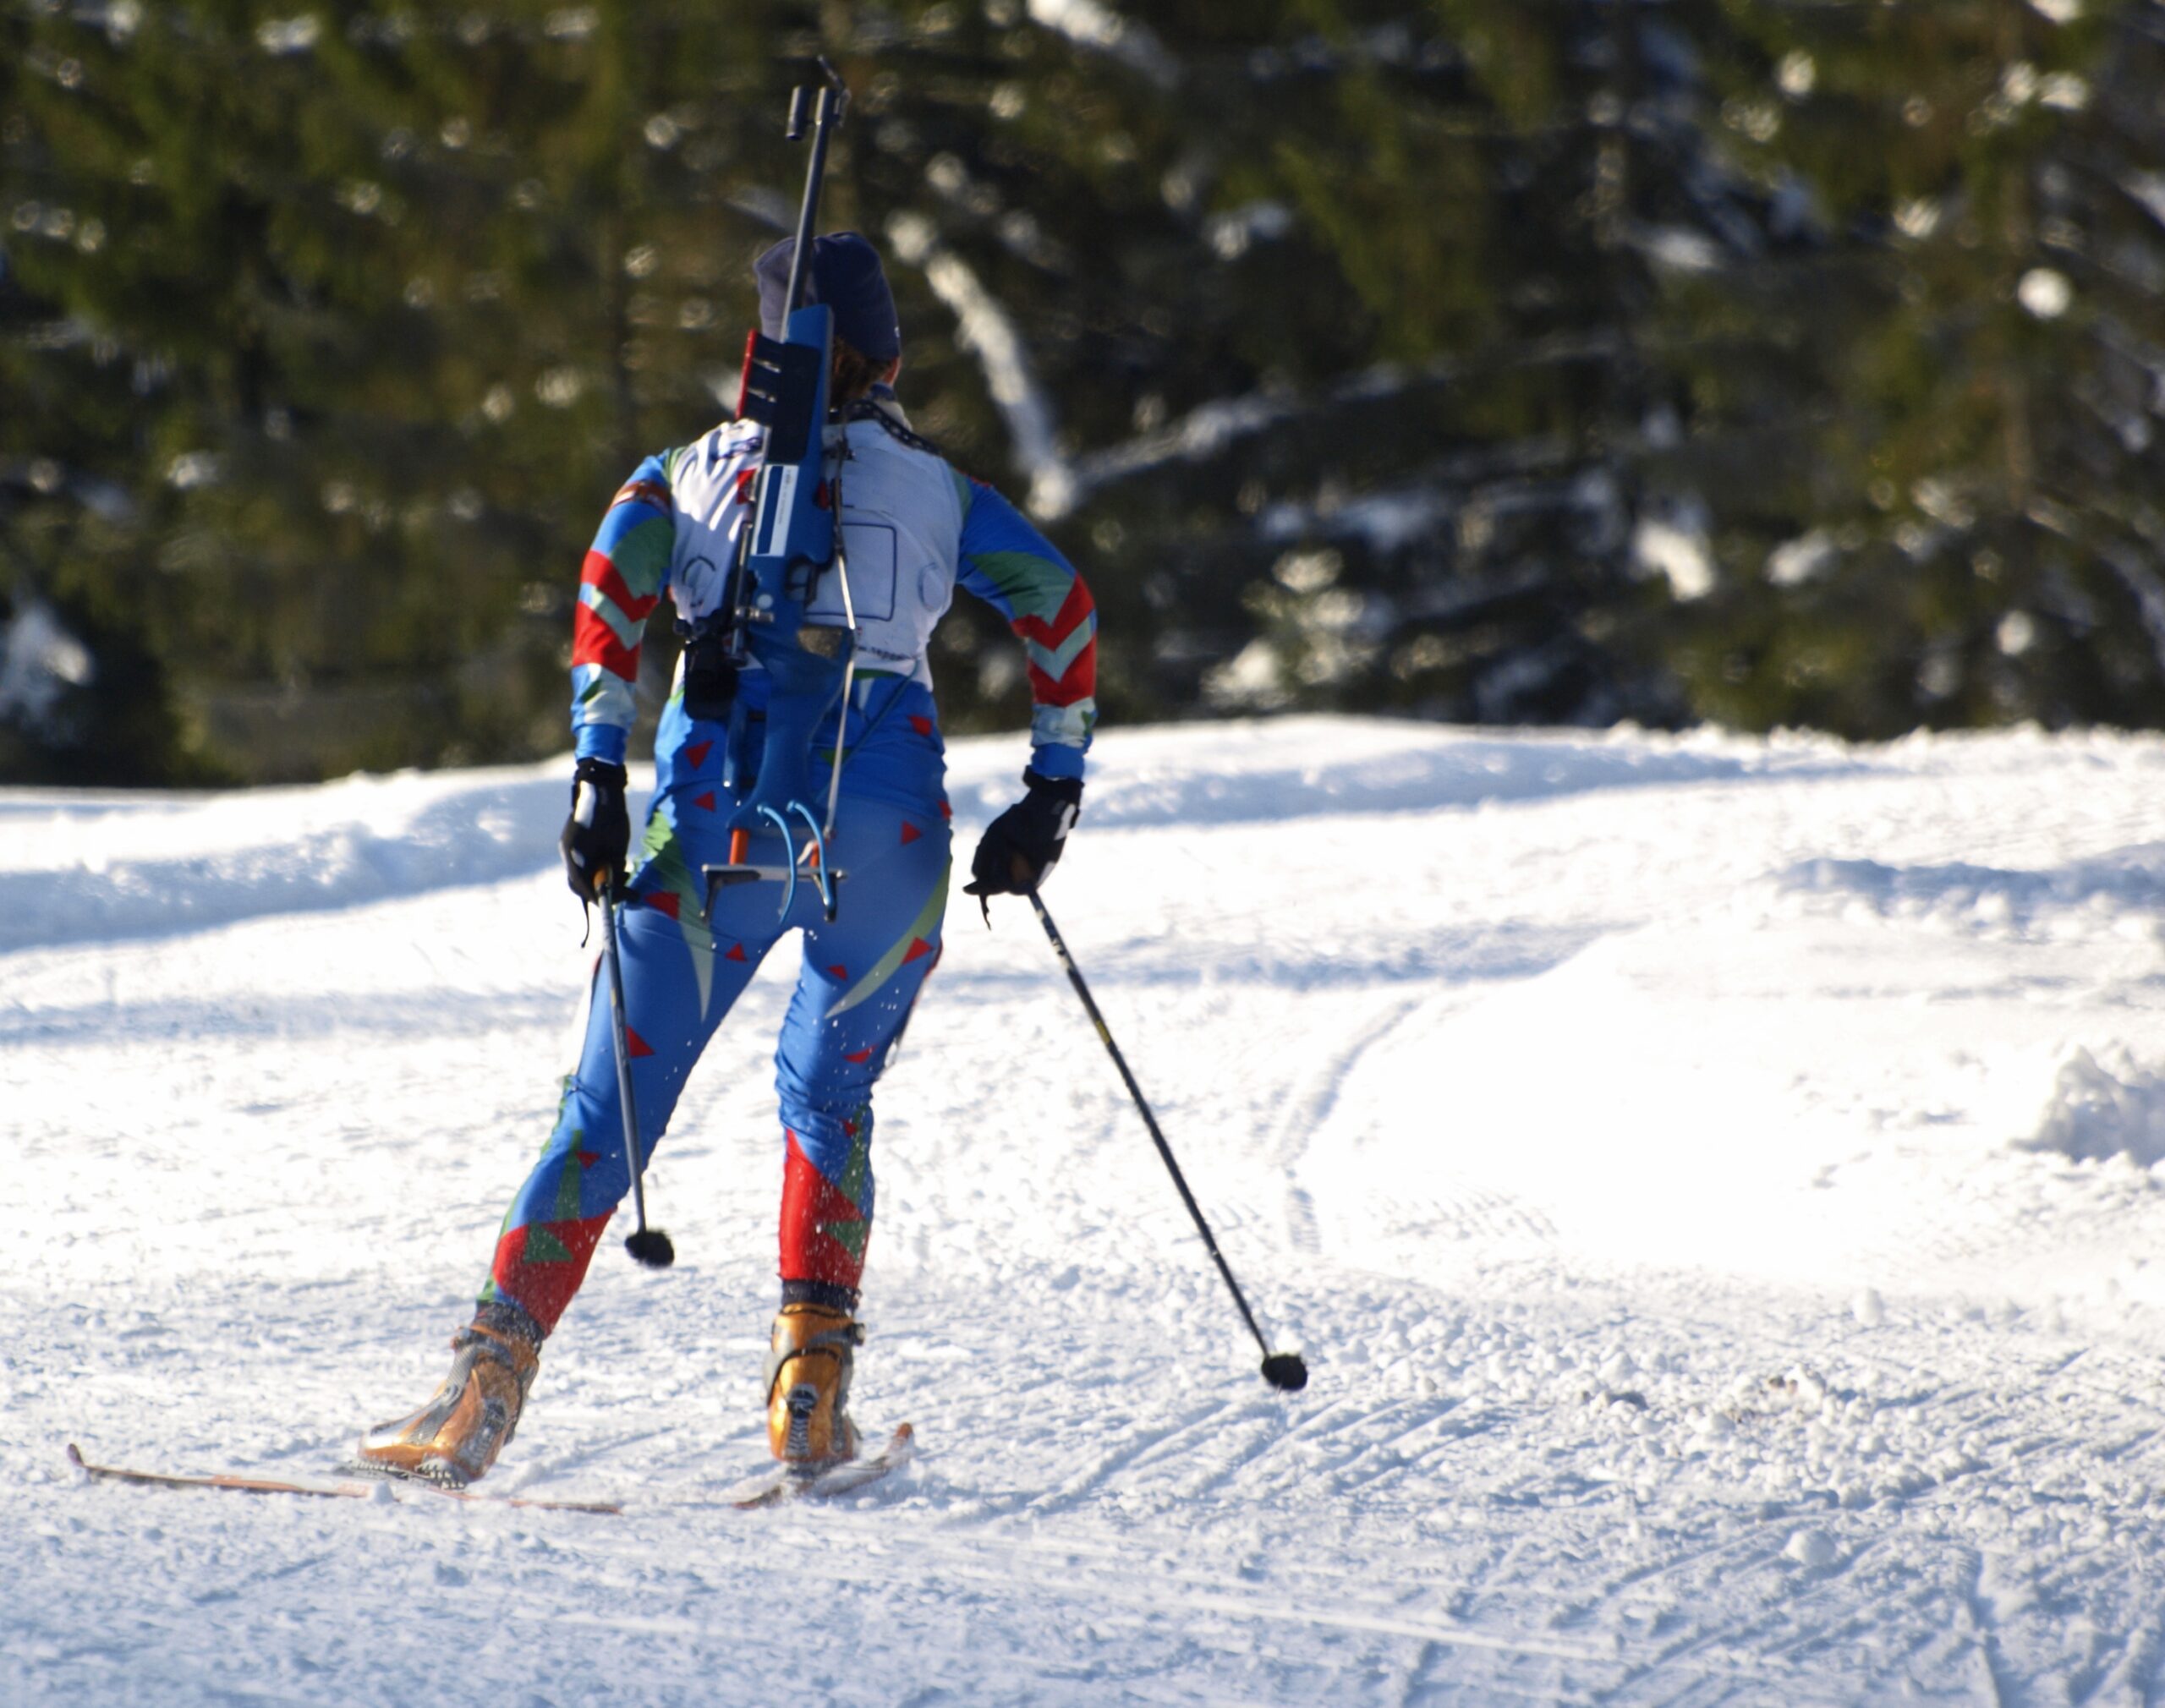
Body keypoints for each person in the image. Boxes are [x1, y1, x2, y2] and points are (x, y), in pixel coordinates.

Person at [355, 232, 1097, 1485]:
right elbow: (1060, 605)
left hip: (712, 827)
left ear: (759, 353)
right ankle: (810, 1387)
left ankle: (483, 1389)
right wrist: (1051, 790)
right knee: (828, 1093)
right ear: (894, 356)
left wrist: (597, 767)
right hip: (889, 835)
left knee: (608, 1115)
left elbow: (609, 599)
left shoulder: (683, 475)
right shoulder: (942, 492)